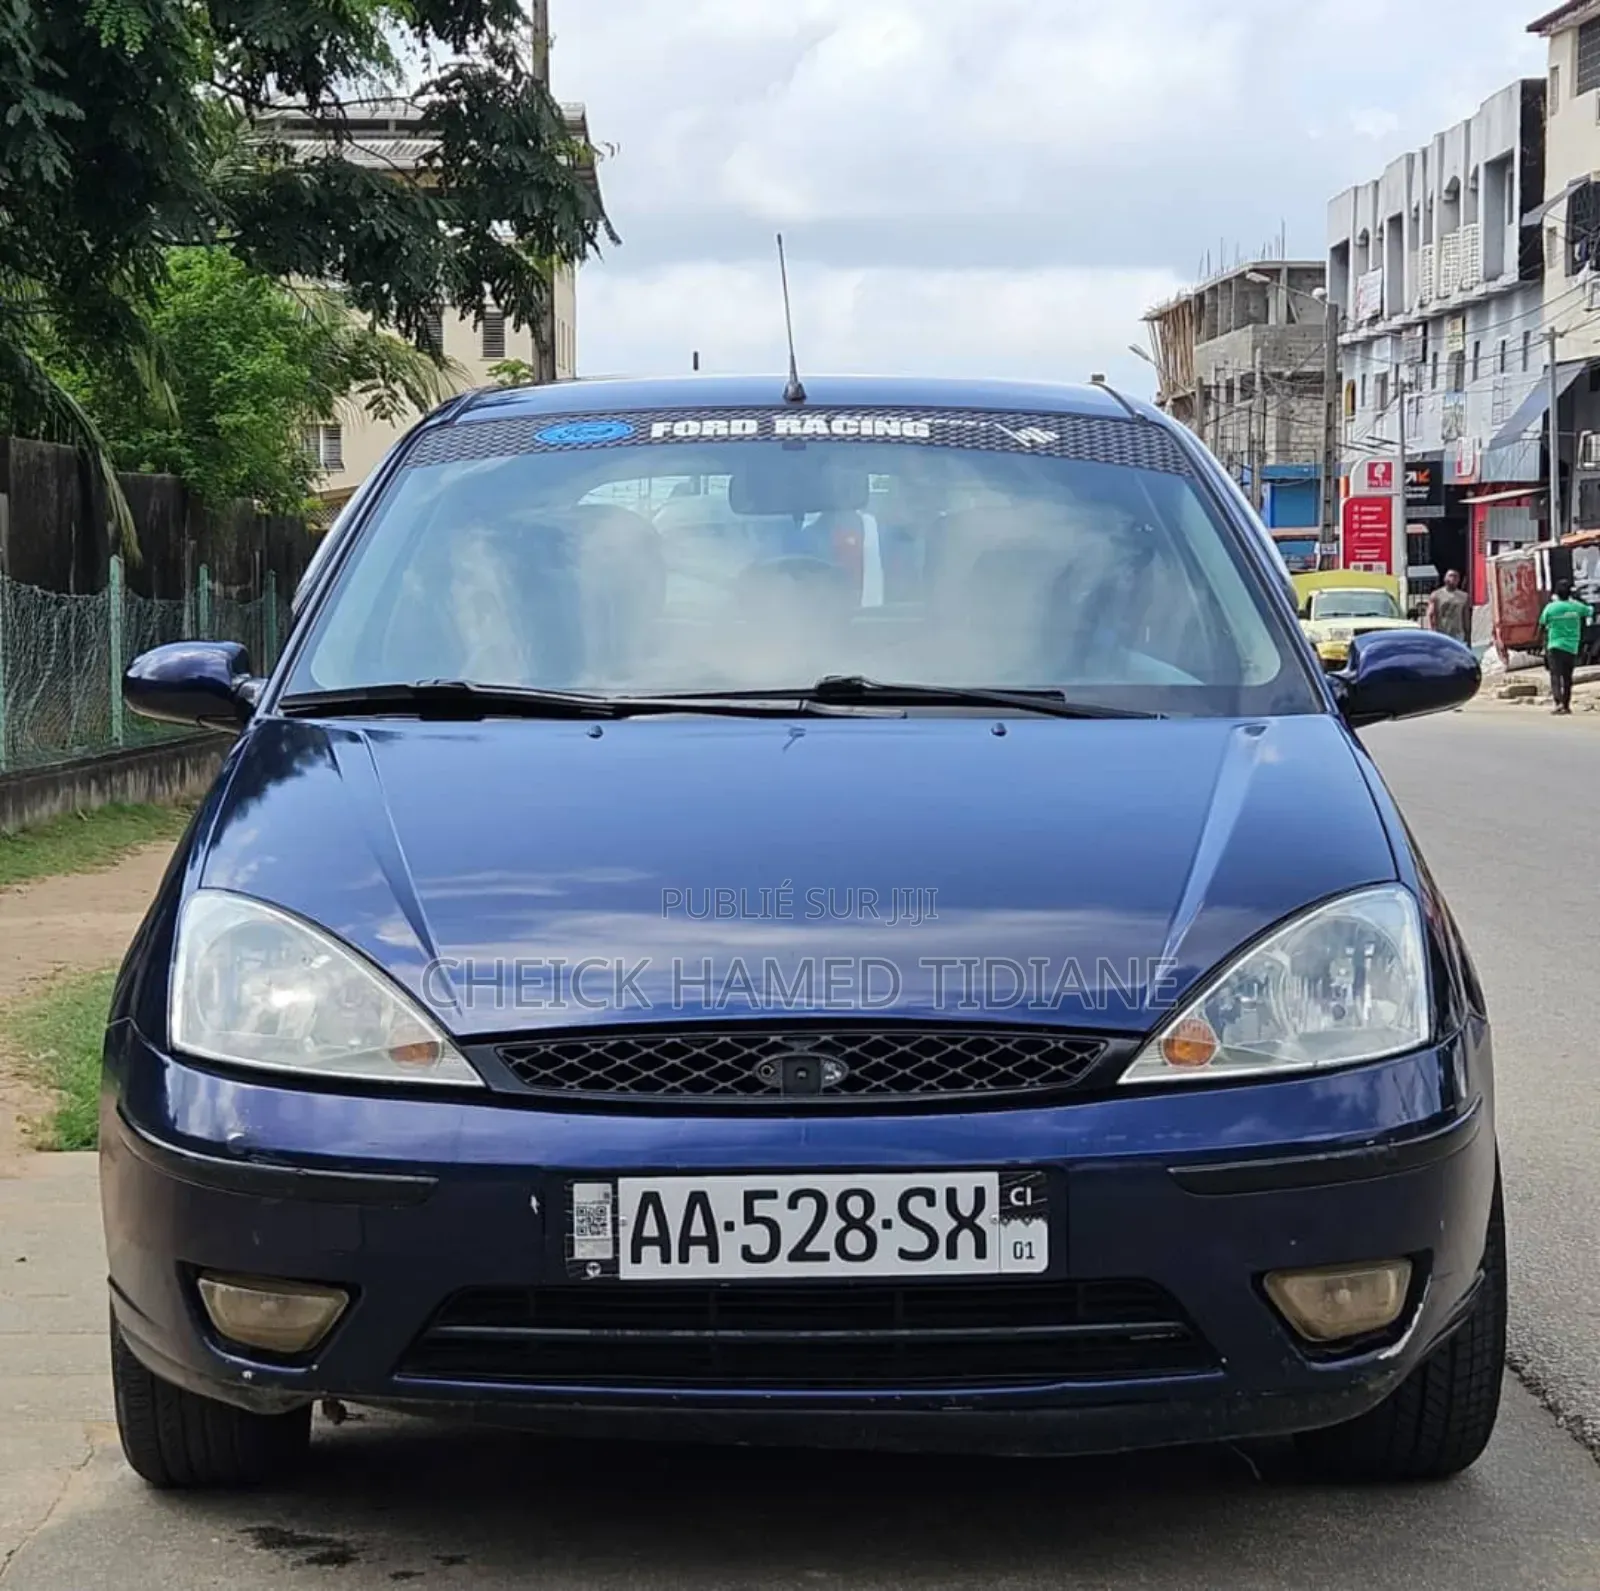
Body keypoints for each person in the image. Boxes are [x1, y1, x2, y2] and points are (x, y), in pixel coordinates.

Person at [1539, 577, 1594, 716]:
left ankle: (1558, 703)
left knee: (1555, 676)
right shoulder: (1576, 607)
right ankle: (1566, 705)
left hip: (1554, 646)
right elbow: (1590, 610)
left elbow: (1542, 624)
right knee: (1567, 677)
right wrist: (1578, 599)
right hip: (1571, 647)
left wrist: (1542, 644)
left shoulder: (1550, 608)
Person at [1426, 569, 1471, 644]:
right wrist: (1431, 630)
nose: (1453, 578)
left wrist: (1467, 634)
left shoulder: (1464, 596)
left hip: (1457, 633)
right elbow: (1430, 614)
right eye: (1450, 576)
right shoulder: (1436, 595)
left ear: (1459, 580)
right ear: (1445, 578)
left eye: (1455, 576)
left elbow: (1466, 616)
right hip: (1441, 632)